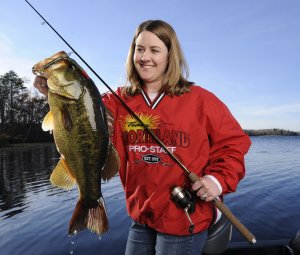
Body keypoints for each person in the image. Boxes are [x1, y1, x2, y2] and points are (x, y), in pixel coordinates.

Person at [34, 20, 251, 255]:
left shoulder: (201, 100)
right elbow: (85, 100)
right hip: (141, 218)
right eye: (139, 49)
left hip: (183, 220)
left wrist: (216, 180)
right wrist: (55, 80)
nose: (145, 57)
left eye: (155, 50)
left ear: (170, 56)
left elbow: (233, 144)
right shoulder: (116, 102)